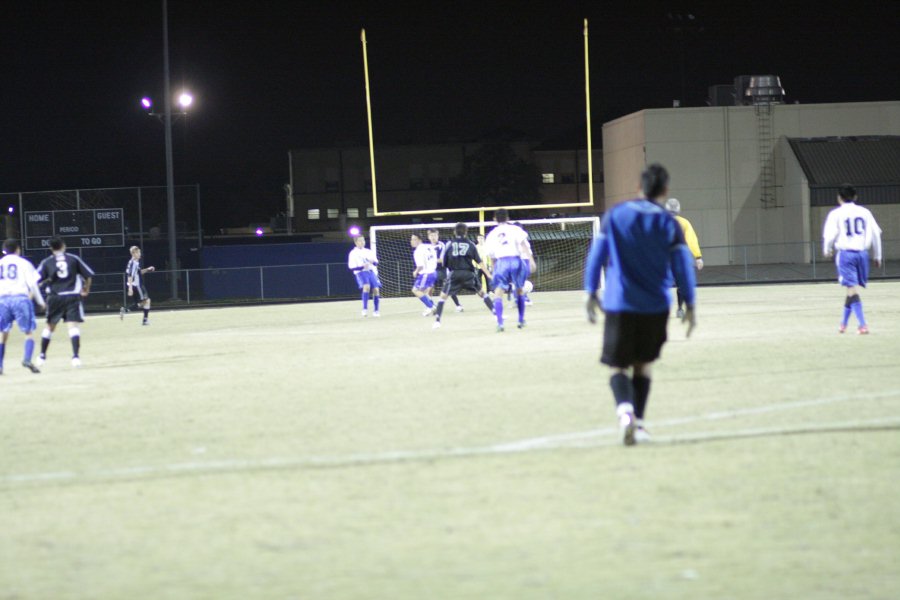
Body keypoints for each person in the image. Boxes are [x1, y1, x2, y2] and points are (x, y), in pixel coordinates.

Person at [584, 164, 697, 446]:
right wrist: (691, 302)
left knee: (618, 367)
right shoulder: (669, 223)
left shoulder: (617, 215)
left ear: (639, 188)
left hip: (620, 303)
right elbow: (683, 265)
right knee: (643, 366)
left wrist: (589, 292)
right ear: (665, 191)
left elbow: (596, 255)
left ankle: (625, 414)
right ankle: (642, 426)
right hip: (655, 305)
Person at [822, 184, 883, 334]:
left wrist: (827, 249)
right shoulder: (865, 212)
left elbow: (829, 234)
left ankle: (863, 325)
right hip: (862, 254)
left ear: (839, 198)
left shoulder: (836, 213)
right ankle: (843, 324)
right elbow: (876, 233)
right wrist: (878, 255)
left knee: (851, 288)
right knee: (850, 289)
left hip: (846, 254)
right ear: (855, 197)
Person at [35, 237, 95, 368]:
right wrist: (86, 289)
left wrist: (41, 286)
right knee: (73, 327)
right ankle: (75, 358)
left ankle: (42, 356)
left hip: (55, 297)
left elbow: (35, 279)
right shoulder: (73, 258)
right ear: (63, 245)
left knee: (49, 327)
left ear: (51, 248)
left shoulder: (47, 262)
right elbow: (88, 275)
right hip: (72, 296)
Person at [432, 223, 496, 329]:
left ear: (454, 232)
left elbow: (444, 262)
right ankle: (497, 315)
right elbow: (479, 262)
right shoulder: (471, 244)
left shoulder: (450, 244)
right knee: (483, 294)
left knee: (442, 297)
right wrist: (489, 274)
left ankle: (437, 321)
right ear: (466, 232)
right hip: (468, 274)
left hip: (454, 274)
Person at [484, 209, 534, 331]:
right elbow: (523, 244)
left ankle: (500, 323)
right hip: (516, 260)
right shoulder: (515, 229)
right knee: (520, 290)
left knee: (498, 292)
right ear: (507, 217)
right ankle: (521, 320)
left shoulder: (492, 234)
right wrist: (531, 260)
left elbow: (491, 254)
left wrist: (494, 268)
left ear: (495, 219)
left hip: (502, 262)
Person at [0, 239, 45, 374]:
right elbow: (32, 285)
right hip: (20, 299)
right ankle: (26, 359)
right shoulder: (24, 263)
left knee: (2, 333)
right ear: (18, 249)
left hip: (3, 300)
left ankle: (0, 365)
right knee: (28, 332)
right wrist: (41, 301)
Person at [664, 198, 704, 318]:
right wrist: (698, 257)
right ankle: (680, 309)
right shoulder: (684, 223)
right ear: (678, 209)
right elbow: (692, 240)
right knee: (681, 285)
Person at [427, 229, 462, 312]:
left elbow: (442, 260)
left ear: (438, 236)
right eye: (431, 235)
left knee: (449, 288)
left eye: (435, 235)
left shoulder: (442, 245)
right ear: (428, 237)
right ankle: (431, 307)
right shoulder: (427, 248)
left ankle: (458, 305)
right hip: (432, 270)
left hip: (442, 270)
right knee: (429, 289)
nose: (433, 237)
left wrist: (433, 261)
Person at [348, 235, 381, 317]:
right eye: (360, 241)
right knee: (366, 287)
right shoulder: (353, 253)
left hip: (370, 271)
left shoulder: (368, 251)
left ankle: (376, 310)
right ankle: (365, 309)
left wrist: (372, 262)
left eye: (363, 240)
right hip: (361, 272)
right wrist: (362, 267)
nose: (362, 242)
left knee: (376, 290)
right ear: (355, 242)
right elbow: (351, 267)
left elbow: (376, 262)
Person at [121, 246, 155, 325]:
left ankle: (125, 310)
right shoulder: (134, 263)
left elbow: (138, 273)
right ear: (134, 253)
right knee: (147, 301)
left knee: (142, 303)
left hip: (134, 285)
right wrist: (130, 288)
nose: (140, 254)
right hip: (137, 286)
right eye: (138, 252)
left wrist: (147, 269)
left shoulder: (132, 262)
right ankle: (145, 320)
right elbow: (130, 276)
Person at [410, 233, 437, 316]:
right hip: (433, 272)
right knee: (424, 292)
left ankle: (431, 307)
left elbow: (420, 266)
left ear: (419, 240)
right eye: (411, 239)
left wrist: (415, 271)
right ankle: (434, 307)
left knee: (416, 290)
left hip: (426, 273)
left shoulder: (418, 251)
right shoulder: (429, 246)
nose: (411, 241)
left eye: (414, 239)